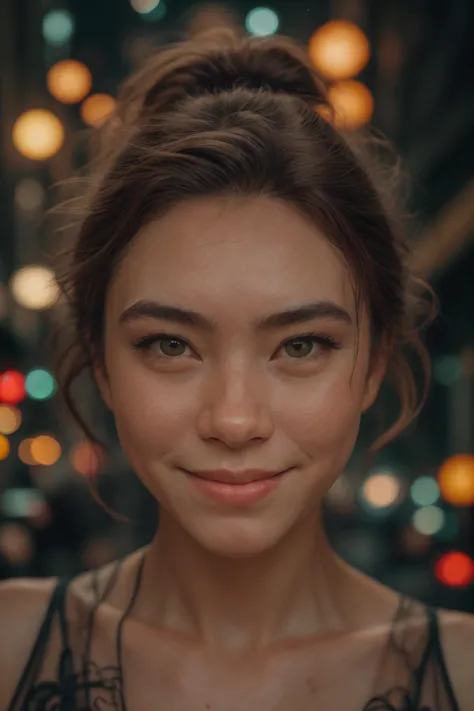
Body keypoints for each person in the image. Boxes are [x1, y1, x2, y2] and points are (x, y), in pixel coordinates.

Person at [0, 28, 472, 711]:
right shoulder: (13, 649)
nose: (234, 418)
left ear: (374, 363)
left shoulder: (462, 672)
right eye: (169, 345)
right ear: (101, 363)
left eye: (302, 345)